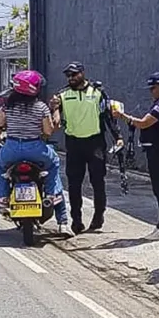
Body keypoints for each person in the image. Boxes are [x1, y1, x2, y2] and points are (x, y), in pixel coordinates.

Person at [0, 70, 69, 235]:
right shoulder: (41, 107)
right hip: (36, 149)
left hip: (11, 148)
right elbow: (48, 131)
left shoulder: (8, 106)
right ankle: (57, 210)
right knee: (54, 164)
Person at [50, 62, 123, 235]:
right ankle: (76, 220)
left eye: (74, 74)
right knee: (74, 184)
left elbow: (108, 117)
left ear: (82, 73)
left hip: (95, 143)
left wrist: (118, 137)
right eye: (68, 75)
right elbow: (55, 114)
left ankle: (99, 216)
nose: (71, 78)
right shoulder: (62, 94)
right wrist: (55, 109)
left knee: (98, 182)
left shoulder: (97, 93)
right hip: (74, 144)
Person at [112, 71, 159, 239]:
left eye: (154, 88)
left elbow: (144, 123)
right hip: (155, 148)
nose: (151, 91)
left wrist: (123, 116)